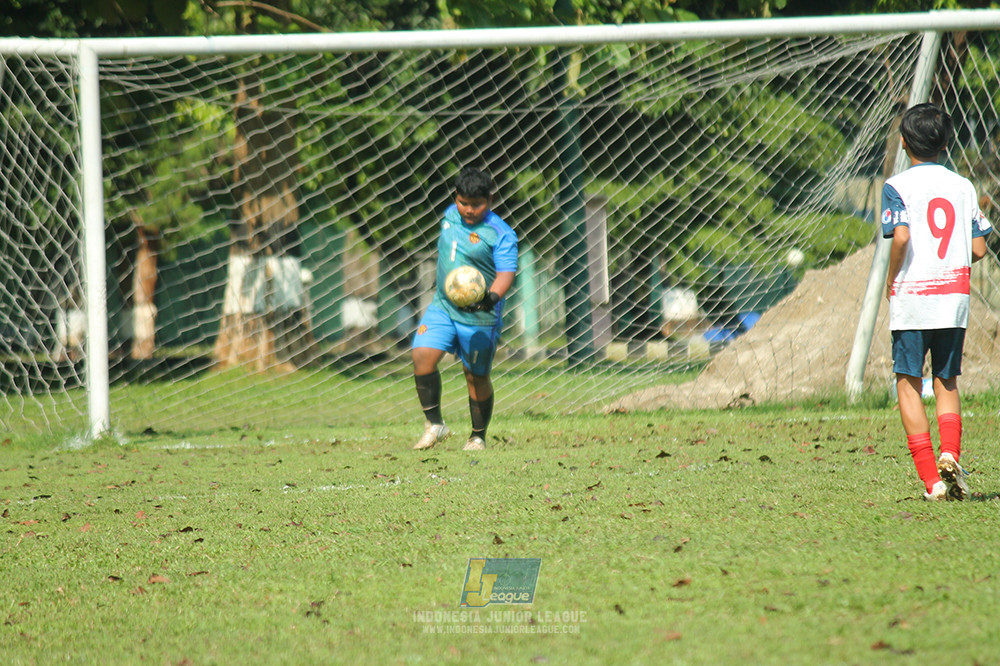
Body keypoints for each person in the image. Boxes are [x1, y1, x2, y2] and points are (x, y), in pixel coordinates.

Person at [882, 103, 992, 501]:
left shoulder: (897, 186)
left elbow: (901, 237)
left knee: (909, 382)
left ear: (903, 142)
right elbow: (979, 248)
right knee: (946, 380)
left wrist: (893, 278)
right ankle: (951, 453)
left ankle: (932, 481)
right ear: (946, 142)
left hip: (913, 299)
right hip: (953, 300)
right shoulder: (963, 187)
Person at [412, 167, 518, 451]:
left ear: (490, 200)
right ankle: (435, 424)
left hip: (479, 316)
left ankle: (477, 436)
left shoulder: (501, 234)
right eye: (463, 203)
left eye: (477, 204)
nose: (469, 210)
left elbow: (506, 272)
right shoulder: (449, 215)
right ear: (455, 197)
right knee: (422, 355)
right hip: (443, 307)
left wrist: (491, 298)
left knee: (475, 376)